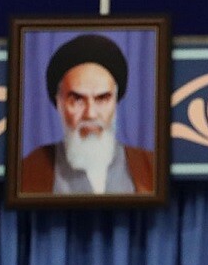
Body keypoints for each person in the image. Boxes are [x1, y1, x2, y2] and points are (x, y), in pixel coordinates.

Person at [20, 33, 155, 194]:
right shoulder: (29, 171)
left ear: (115, 102)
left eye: (102, 99)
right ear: (59, 103)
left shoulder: (151, 167)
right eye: (77, 100)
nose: (90, 114)